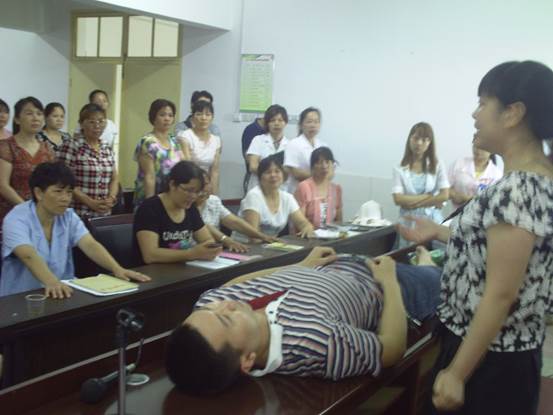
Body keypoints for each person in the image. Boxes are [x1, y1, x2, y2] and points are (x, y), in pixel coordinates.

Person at [399, 61, 553, 415]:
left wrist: (457, 373)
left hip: (488, 359)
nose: (474, 114)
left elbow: (501, 293)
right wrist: (440, 231)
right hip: (501, 352)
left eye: (483, 103)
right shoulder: (535, 178)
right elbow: (498, 252)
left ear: (513, 113)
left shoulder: (518, 189)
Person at [164, 246, 442, 395]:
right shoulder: (315, 342)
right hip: (385, 285)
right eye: (226, 320)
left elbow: (229, 287)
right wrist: (389, 281)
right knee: (441, 276)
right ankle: (427, 263)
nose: (226, 305)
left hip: (335, 263)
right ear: (247, 361)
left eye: (213, 309)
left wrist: (298, 266)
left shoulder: (207, 309)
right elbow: (391, 348)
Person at [0, 161, 150, 298]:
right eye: (58, 191)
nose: (65, 198)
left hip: (64, 291)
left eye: (69, 192)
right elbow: (27, 255)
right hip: (22, 297)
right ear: (39, 193)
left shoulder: (68, 216)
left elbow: (90, 244)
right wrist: (52, 282)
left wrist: (117, 269)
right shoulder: (16, 218)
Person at [133, 161, 223, 265]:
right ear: (172, 184)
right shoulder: (150, 208)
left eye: (197, 192)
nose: (193, 196)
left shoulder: (190, 208)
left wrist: (210, 249)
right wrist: (192, 253)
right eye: (189, 190)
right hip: (151, 271)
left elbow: (207, 240)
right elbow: (150, 255)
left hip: (182, 268)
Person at [0, 97, 54, 228]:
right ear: (17, 119)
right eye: (29, 113)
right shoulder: (6, 146)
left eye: (39, 114)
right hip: (12, 213)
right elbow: (3, 185)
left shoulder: (47, 148)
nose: (35, 118)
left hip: (42, 213)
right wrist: (28, 209)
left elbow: (52, 182)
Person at [57, 103, 118, 218]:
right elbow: (64, 180)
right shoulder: (72, 146)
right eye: (91, 122)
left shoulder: (106, 147)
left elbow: (114, 178)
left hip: (104, 214)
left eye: (101, 121)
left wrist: (111, 198)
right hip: (78, 213)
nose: (97, 126)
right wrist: (90, 202)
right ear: (81, 124)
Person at [195, 172, 276, 253]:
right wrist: (227, 241)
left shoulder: (213, 201)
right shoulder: (189, 205)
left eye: (206, 184)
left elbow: (234, 222)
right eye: (199, 185)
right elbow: (204, 225)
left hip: (213, 251)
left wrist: (262, 236)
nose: (203, 189)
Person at [235, 157, 314, 240]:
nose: (273, 175)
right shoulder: (254, 196)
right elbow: (253, 236)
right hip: (245, 245)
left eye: (277, 171)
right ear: (260, 177)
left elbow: (303, 223)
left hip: (270, 245)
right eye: (268, 172)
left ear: (283, 175)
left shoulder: (287, 198)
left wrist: (307, 228)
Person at [392, 122, 449, 230]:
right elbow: (397, 199)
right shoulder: (399, 167)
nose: (418, 143)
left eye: (424, 140)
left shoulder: (438, 164)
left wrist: (414, 204)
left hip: (432, 220)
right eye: (415, 138)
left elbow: (444, 195)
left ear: (429, 143)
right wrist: (428, 197)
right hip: (408, 221)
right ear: (410, 139)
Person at [133, 99, 183, 209]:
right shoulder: (148, 142)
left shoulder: (174, 141)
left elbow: (182, 167)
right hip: (151, 197)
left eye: (170, 115)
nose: (167, 118)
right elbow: (149, 176)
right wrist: (150, 205)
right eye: (162, 115)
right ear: (153, 117)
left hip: (171, 199)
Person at [177, 100, 222, 195]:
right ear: (192, 117)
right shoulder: (185, 136)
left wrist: (214, 195)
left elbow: (215, 171)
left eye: (208, 114)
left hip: (207, 185)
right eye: (199, 114)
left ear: (212, 118)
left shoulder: (216, 140)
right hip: (188, 183)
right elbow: (187, 167)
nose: (203, 118)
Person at [245, 105, 291, 191]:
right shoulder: (258, 140)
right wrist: (273, 175)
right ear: (267, 123)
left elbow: (289, 170)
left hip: (281, 189)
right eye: (272, 120)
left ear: (285, 122)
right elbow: (253, 166)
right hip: (259, 188)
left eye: (280, 120)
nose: (276, 123)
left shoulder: (290, 145)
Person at [294, 147, 342, 229]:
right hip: (307, 234)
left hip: (331, 234)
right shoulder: (304, 187)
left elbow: (339, 221)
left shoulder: (336, 189)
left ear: (333, 165)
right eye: (319, 163)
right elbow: (299, 223)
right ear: (312, 167)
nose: (324, 166)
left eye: (327, 162)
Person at [284, 107, 328, 193]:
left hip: (318, 192)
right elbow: (295, 172)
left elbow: (330, 169)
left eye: (316, 122)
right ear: (301, 125)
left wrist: (324, 176)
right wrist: (319, 176)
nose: (313, 125)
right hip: (298, 192)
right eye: (309, 122)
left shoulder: (323, 145)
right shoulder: (293, 144)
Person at [448, 143, 503, 209]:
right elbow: (445, 187)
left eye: (483, 148)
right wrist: (453, 194)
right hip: (455, 211)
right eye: (476, 146)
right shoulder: (459, 163)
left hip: (481, 214)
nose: (478, 150)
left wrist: (466, 198)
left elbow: (494, 200)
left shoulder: (497, 174)